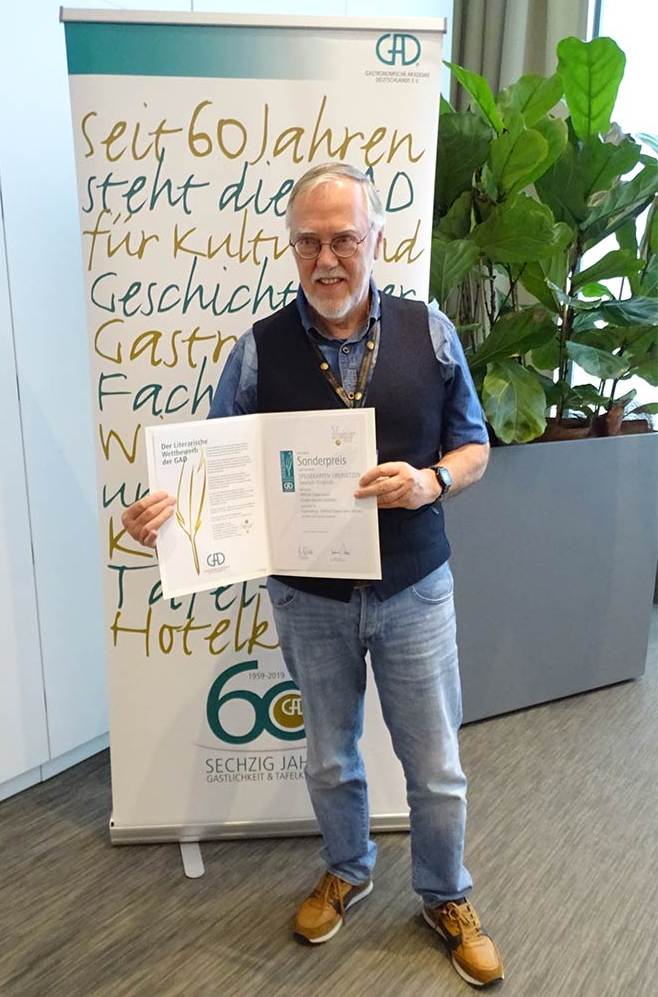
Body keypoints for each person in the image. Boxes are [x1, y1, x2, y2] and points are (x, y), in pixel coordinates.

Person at [122, 163, 503, 988]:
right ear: (291, 246)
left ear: (376, 240)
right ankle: (348, 868)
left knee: (436, 767)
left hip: (413, 588)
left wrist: (431, 481)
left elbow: (474, 446)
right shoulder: (257, 351)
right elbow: (210, 467)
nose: (326, 259)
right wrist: (162, 514)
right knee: (329, 757)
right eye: (308, 242)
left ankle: (445, 893)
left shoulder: (430, 332)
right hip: (308, 598)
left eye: (343, 239)